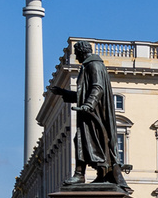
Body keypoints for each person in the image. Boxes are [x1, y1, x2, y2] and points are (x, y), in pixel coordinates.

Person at [48, 40, 128, 188]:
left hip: (95, 114)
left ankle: (82, 174)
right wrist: (63, 93)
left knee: (87, 141)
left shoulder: (94, 65)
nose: (76, 58)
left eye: (77, 54)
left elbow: (97, 87)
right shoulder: (89, 65)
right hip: (90, 112)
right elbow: (83, 94)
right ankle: (94, 173)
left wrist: (88, 105)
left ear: (81, 52)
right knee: (83, 140)